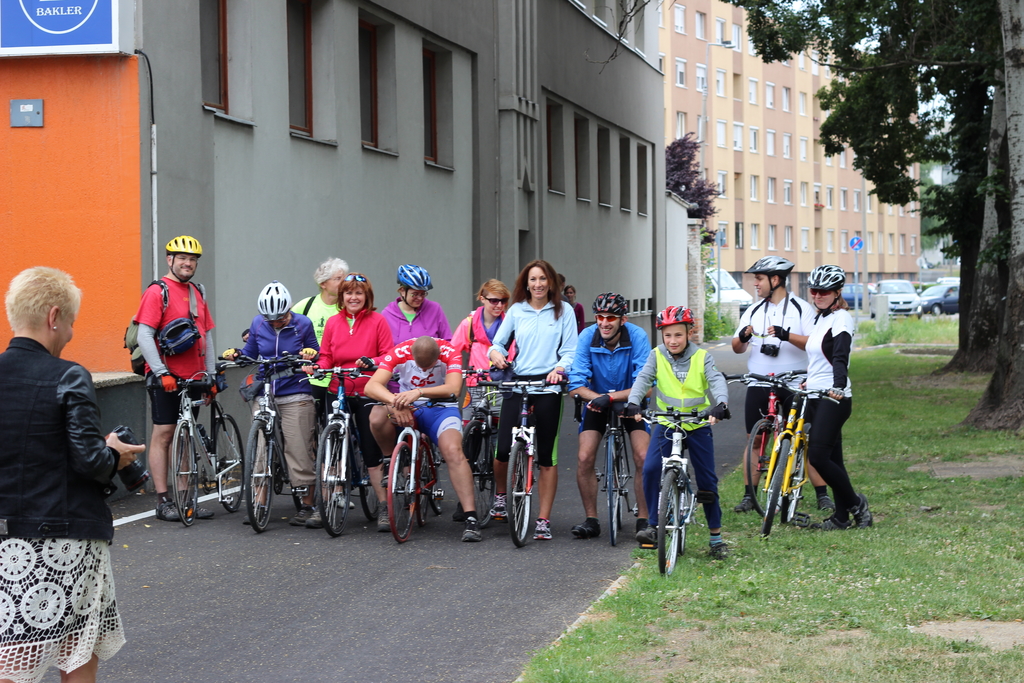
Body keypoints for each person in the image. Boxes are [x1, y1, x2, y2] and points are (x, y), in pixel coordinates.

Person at [0, 267, 145, 683]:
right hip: (65, 540)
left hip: (6, 542)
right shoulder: (67, 375)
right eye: (71, 323)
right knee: (77, 649)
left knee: (12, 653)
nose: (70, 334)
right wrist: (114, 453)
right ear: (54, 316)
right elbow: (90, 462)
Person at [730, 256, 835, 514]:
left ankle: (822, 494)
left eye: (759, 278)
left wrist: (786, 335)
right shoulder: (753, 310)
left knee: (802, 438)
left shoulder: (801, 309)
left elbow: (814, 343)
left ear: (775, 279)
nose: (755, 283)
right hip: (759, 381)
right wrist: (742, 337)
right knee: (755, 440)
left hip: (794, 382)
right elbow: (737, 348)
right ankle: (749, 496)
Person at [627, 306, 731, 558]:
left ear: (689, 333)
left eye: (678, 335)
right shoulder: (656, 355)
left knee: (707, 481)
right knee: (651, 469)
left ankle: (716, 538)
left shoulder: (702, 356)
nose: (672, 340)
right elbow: (643, 378)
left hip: (696, 424)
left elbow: (716, 380)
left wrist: (721, 404)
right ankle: (654, 526)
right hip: (667, 423)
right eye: (667, 335)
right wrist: (633, 402)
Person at [488, 259, 578, 541]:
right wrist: (496, 354)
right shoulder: (517, 310)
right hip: (519, 384)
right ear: (526, 284)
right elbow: (498, 343)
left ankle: (543, 520)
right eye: (533, 279)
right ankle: (501, 496)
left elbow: (570, 350)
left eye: (542, 279)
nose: (538, 284)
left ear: (550, 282)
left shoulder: (564, 311)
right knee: (503, 450)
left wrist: (559, 369)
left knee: (547, 457)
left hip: (548, 386)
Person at [363, 336, 482, 542]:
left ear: (438, 357)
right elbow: (371, 386)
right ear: (411, 356)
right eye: (420, 366)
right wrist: (395, 402)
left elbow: (454, 388)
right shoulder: (401, 351)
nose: (425, 371)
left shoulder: (449, 351)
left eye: (430, 367)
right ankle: (389, 459)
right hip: (407, 406)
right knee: (377, 415)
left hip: (442, 408)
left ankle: (470, 516)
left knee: (454, 452)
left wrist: (419, 392)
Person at [133, 235, 216, 523]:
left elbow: (206, 336)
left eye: (192, 259)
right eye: (182, 258)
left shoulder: (197, 292)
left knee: (187, 435)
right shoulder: (158, 292)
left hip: (195, 377)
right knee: (165, 434)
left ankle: (185, 500)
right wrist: (161, 372)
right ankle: (163, 500)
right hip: (166, 378)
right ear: (170, 260)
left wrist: (210, 375)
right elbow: (144, 335)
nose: (187, 263)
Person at [224, 281, 321, 528]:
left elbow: (316, 352)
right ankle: (259, 501)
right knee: (258, 447)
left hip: (295, 390)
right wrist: (237, 354)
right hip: (265, 389)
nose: (275, 323)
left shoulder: (303, 324)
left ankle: (307, 504)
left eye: (280, 318)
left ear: (289, 310)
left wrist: (309, 355)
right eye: (270, 320)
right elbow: (250, 352)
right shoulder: (258, 323)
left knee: (298, 447)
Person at [310, 273, 393, 531]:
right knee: (331, 446)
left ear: (367, 296)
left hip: (368, 390)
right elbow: (326, 356)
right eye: (348, 292)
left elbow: (388, 355)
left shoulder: (378, 321)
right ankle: (324, 503)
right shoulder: (333, 322)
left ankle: (383, 506)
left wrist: (372, 362)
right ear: (342, 296)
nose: (353, 297)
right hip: (338, 389)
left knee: (370, 449)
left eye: (358, 293)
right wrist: (318, 367)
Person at [794, 265, 872, 531]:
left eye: (824, 291)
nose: (817, 295)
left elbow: (840, 354)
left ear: (837, 292)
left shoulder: (842, 319)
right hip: (816, 393)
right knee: (834, 459)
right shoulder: (821, 319)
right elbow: (819, 358)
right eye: (814, 291)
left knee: (817, 456)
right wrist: (810, 380)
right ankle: (841, 518)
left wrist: (838, 384)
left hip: (834, 397)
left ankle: (856, 504)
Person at [567, 293, 651, 539]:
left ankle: (644, 520)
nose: (604, 322)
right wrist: (598, 398)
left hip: (630, 402)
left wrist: (612, 397)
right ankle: (591, 520)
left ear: (623, 319)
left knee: (643, 457)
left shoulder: (637, 336)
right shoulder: (587, 336)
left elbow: (645, 385)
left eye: (611, 318)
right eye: (600, 317)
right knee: (584, 457)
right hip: (596, 401)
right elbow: (575, 384)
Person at [292, 258, 349, 424]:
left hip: (340, 376)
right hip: (312, 376)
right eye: (338, 279)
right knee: (309, 425)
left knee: (336, 424)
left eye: (344, 278)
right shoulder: (306, 306)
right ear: (323, 283)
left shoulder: (348, 307)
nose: (344, 283)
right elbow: (284, 324)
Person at [451, 278, 514, 405]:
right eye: (494, 301)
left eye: (503, 301)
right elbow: (452, 353)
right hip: (475, 385)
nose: (499, 305)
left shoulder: (510, 325)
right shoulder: (468, 324)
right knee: (470, 417)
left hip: (503, 386)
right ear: (482, 299)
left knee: (503, 418)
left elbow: (515, 355)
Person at [381, 264, 452, 343]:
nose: (420, 298)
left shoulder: (435, 309)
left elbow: (448, 342)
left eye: (423, 294)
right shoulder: (387, 315)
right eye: (415, 294)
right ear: (402, 291)